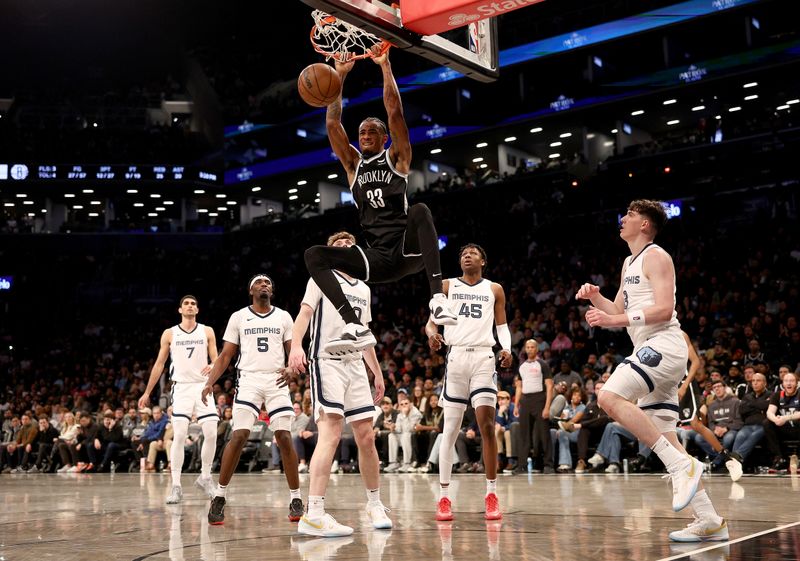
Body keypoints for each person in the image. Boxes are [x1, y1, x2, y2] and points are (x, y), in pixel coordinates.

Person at [577, 199, 727, 542]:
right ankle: (710, 520)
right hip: (649, 348)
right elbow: (619, 308)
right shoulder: (629, 261)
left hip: (663, 344)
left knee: (609, 396)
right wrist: (597, 298)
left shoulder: (657, 255)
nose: (622, 218)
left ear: (645, 224)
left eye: (629, 214)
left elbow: (663, 309)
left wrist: (613, 318)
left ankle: (681, 467)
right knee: (669, 439)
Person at [304, 49, 457, 356]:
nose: (365, 135)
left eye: (373, 131)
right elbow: (334, 125)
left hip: (406, 247)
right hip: (377, 259)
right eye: (361, 132)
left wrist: (384, 65)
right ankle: (354, 324)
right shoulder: (352, 166)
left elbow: (395, 112)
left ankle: (437, 299)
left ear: (385, 138)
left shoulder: (397, 158)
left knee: (419, 210)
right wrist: (340, 74)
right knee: (314, 255)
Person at [288, 231, 392, 537]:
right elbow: (305, 313)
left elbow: (364, 332)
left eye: (350, 244)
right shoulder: (320, 277)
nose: (346, 247)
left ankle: (374, 503)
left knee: (367, 437)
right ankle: (314, 513)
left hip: (355, 364)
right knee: (330, 433)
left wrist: (377, 371)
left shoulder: (363, 287)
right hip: (327, 361)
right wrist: (295, 345)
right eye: (338, 245)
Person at [201, 274, 302, 525]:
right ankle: (220, 496)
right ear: (250, 291)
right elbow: (225, 356)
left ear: (272, 291)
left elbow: (294, 351)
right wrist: (209, 382)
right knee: (239, 435)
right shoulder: (238, 317)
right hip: (249, 379)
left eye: (268, 282)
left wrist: (292, 369)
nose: (264, 285)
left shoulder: (284, 317)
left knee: (284, 436)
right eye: (259, 283)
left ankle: (296, 498)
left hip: (276, 378)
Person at [425, 243, 512, 521]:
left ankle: (491, 494)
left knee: (487, 425)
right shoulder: (447, 286)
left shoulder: (494, 289)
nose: (467, 255)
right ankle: (444, 497)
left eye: (473, 253)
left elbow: (502, 327)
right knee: (449, 430)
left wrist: (507, 348)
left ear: (483, 261)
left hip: (484, 358)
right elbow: (430, 323)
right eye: (463, 253)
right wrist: (432, 335)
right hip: (456, 358)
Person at [139, 295, 219, 504]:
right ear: (180, 310)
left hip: (203, 386)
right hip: (181, 388)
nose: (190, 306)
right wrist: (147, 392)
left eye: (193, 303)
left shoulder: (207, 330)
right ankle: (176, 486)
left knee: (211, 432)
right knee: (180, 434)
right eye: (186, 303)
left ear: (197, 310)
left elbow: (217, 359)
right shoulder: (170, 333)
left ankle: (206, 477)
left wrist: (213, 366)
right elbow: (159, 364)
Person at [513, 339, 554, 474]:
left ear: (537, 349)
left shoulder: (543, 364)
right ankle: (522, 465)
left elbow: (549, 386)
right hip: (525, 400)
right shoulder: (522, 366)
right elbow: (519, 387)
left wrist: (547, 407)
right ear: (525, 349)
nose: (530, 349)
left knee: (544, 433)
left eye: (532, 347)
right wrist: (516, 405)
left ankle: (548, 464)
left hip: (539, 399)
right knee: (523, 434)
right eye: (528, 347)